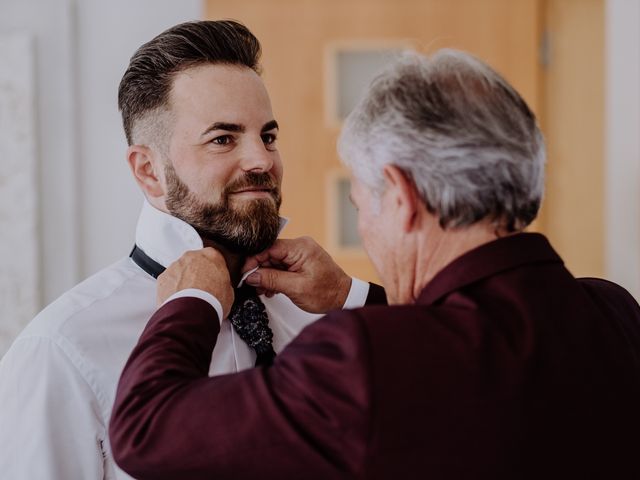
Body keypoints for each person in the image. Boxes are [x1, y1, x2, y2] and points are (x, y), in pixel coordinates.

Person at [109, 49, 640, 480]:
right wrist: (352, 297)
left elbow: (143, 430)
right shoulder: (613, 312)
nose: (262, 160)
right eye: (224, 137)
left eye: (361, 203)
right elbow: (478, 358)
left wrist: (191, 300)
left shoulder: (364, 360)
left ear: (404, 198)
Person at [0, 21, 382, 479]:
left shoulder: (323, 319)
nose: (262, 160)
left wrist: (350, 298)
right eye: (223, 138)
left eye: (269, 136)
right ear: (149, 171)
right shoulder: (62, 351)